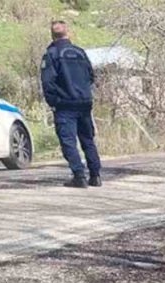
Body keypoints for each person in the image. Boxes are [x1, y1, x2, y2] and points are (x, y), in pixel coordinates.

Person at [41, 20, 101, 188]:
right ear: (68, 33)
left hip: (64, 104)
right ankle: (95, 175)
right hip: (84, 103)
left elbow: (47, 81)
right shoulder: (80, 53)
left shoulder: (51, 54)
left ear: (52, 36)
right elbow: (91, 76)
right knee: (88, 139)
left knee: (68, 141)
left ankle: (79, 176)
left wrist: (53, 102)